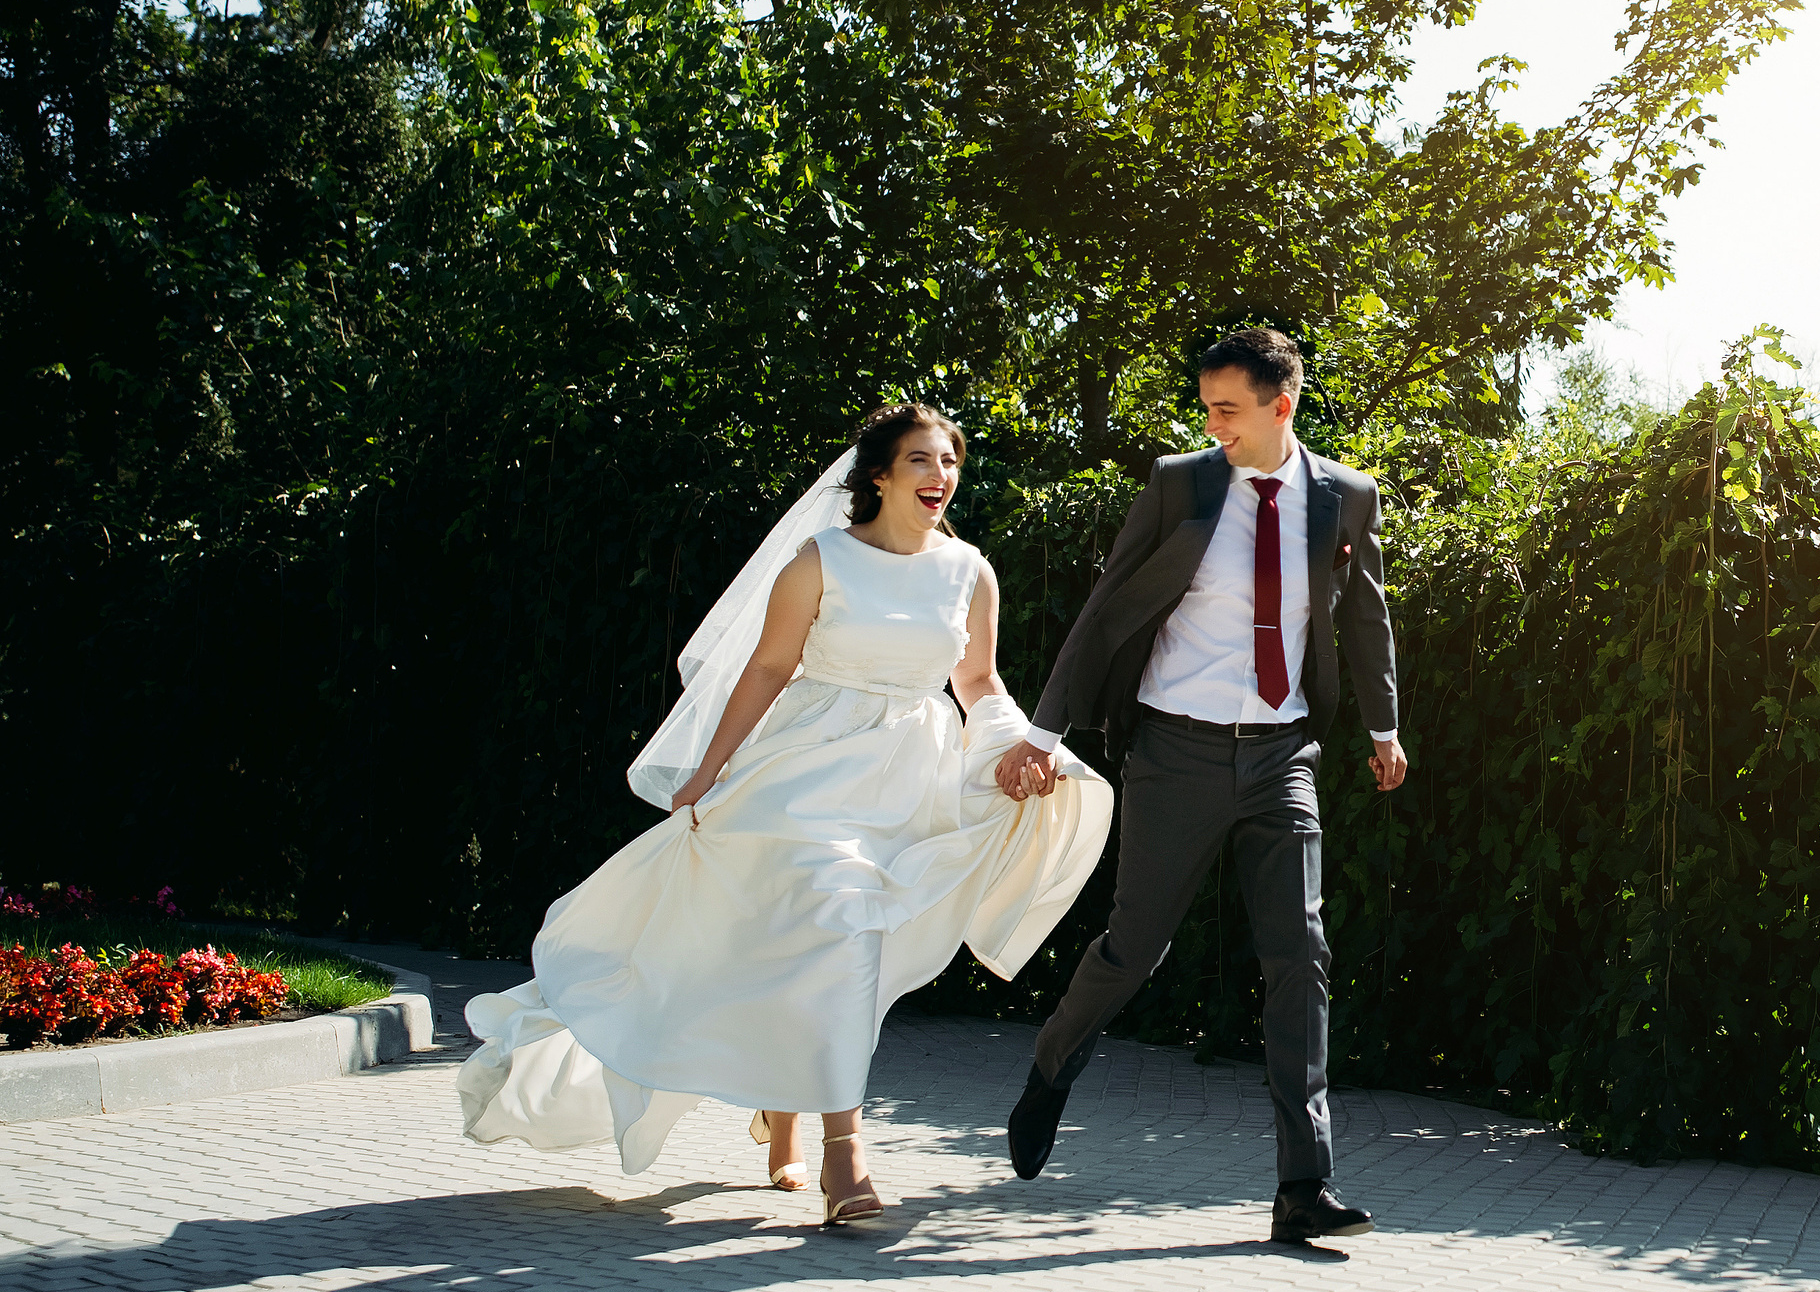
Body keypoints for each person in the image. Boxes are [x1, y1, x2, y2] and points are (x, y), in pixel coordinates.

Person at [457, 404, 1113, 1228]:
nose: (940, 476)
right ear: (879, 474)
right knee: (837, 922)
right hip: (808, 771)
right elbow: (768, 668)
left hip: (909, 780)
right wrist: (707, 772)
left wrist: (1018, 742)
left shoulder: (970, 572)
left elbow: (977, 682)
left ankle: (788, 1104)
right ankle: (846, 1151)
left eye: (948, 461)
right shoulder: (820, 561)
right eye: (920, 460)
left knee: (840, 945)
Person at [992, 328, 1406, 1244]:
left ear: (1280, 406)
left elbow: (1366, 614)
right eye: (1207, 407)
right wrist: (1044, 734)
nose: (1212, 423)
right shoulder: (1182, 482)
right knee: (1135, 946)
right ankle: (1054, 1059)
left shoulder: (1344, 497)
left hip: (1282, 754)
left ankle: (1305, 1184)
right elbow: (1106, 607)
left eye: (1228, 408)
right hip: (1175, 751)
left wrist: (1383, 725)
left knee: (1301, 955)